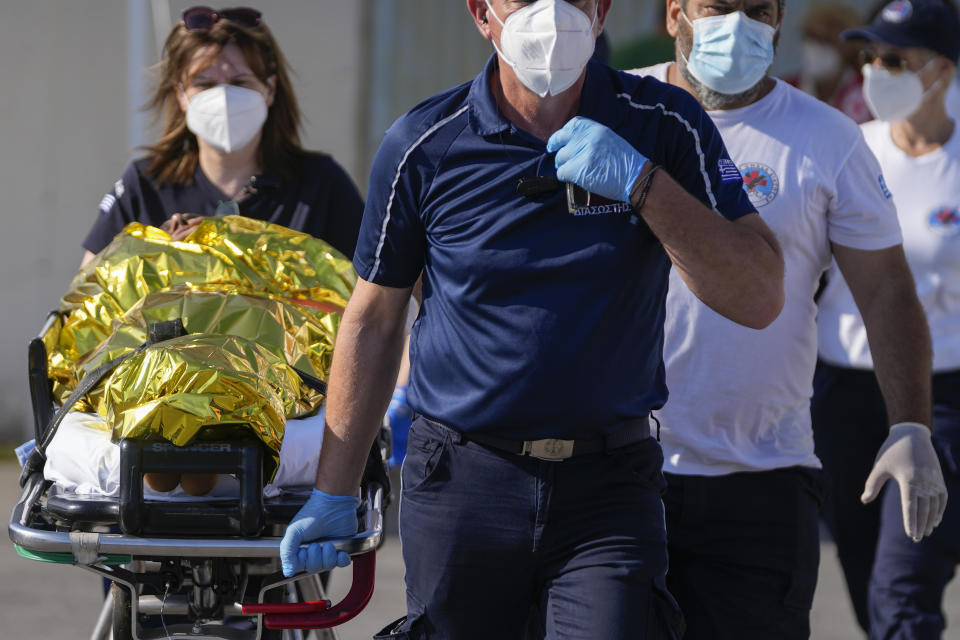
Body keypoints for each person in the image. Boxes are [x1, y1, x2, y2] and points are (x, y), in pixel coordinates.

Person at [279, 0, 786, 637]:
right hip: (464, 480)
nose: (550, 11)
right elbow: (373, 321)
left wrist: (644, 186)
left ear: (600, 13)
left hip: (607, 487)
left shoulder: (662, 122)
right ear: (482, 15)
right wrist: (334, 489)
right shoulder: (423, 143)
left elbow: (760, 294)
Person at [627, 1, 947, 638]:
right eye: (719, 7)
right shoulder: (617, 110)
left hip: (763, 481)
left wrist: (910, 421)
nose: (739, 25)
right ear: (674, 16)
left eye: (759, 9)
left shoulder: (828, 137)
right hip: (618, 471)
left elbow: (885, 291)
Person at [813, 2, 960, 636]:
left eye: (896, 59)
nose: (876, 71)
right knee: (865, 572)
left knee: (903, 587)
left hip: (940, 399)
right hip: (841, 392)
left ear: (942, 72)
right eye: (869, 57)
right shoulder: (850, 148)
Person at [81, 5, 364, 266]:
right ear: (181, 95)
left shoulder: (320, 186)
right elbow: (87, 293)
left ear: (270, 90)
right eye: (205, 84)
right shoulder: (144, 185)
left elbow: (370, 293)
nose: (224, 97)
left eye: (240, 82)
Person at [791, 3, 872, 123]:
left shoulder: (868, 91)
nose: (814, 48)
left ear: (849, 46)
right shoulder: (786, 89)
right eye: (809, 37)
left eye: (824, 40)